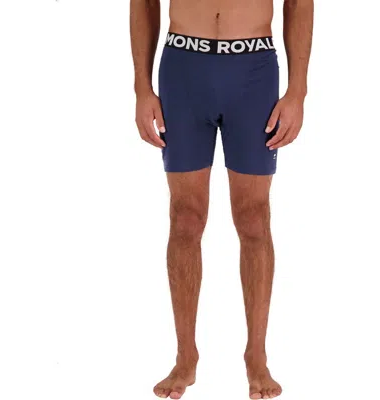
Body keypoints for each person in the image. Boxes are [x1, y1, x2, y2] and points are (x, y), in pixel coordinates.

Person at [130, 0, 313, 397]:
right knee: (185, 217)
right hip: (183, 67)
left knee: (254, 218)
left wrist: (298, 89)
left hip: (253, 71)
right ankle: (185, 357)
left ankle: (256, 356)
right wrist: (141, 87)